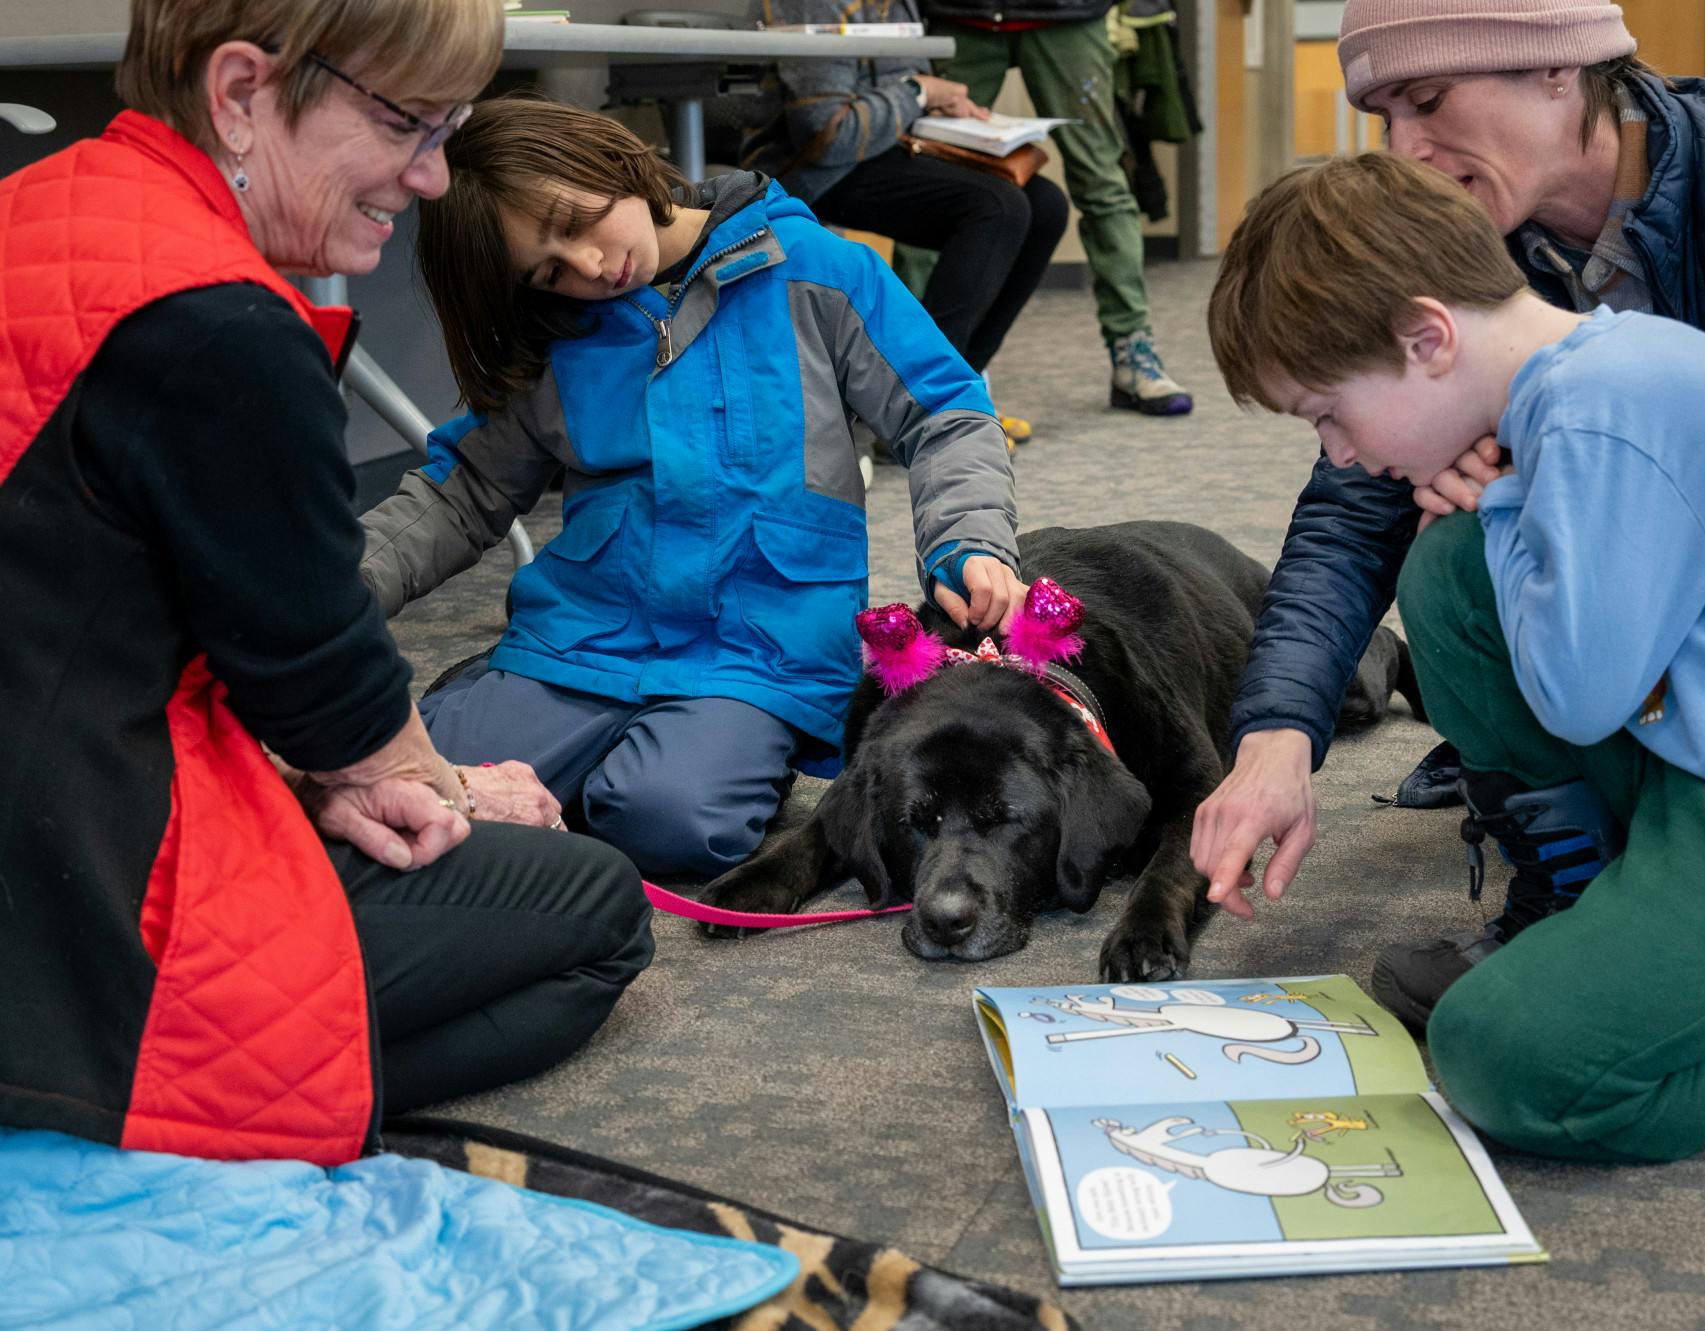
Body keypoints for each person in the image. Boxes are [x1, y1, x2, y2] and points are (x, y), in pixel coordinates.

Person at [1192, 0, 1705, 1031]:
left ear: (1557, 72)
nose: (1406, 149)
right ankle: (1578, 897)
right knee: (1447, 558)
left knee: (1533, 1043)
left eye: (1428, 100)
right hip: (1625, 649)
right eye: (1382, 117)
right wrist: (1275, 734)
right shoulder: (1455, 244)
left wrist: (1547, 520)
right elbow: (1355, 509)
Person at [0, 0, 655, 1166]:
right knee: (595, 910)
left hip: (51, 772)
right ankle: (119, 1101)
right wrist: (429, 781)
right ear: (243, 93)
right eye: (410, 124)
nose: (435, 176)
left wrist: (351, 762)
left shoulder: (46, 209)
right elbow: (318, 676)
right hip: (74, 885)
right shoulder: (219, 324)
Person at [360, 95, 1024, 885]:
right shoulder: (556, 330)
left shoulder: (820, 271)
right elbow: (460, 490)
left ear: (608, 158)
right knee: (407, 788)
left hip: (757, 654)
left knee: (668, 823)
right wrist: (338, 586)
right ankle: (506, 701)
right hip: (583, 642)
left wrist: (970, 541)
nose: (591, 268)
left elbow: (946, 412)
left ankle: (707, 754)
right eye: (548, 270)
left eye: (577, 223)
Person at [739, 0, 1068, 446]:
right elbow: (827, 135)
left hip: (888, 150)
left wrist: (948, 111)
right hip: (812, 170)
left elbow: (904, 100)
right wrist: (919, 92)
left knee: (1046, 204)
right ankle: (924, 408)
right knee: (998, 207)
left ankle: (958, 393)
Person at [909, 0, 1195, 417]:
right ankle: (913, 364)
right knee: (931, 180)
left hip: (1070, 14)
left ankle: (1133, 349)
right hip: (960, 14)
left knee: (1100, 181)